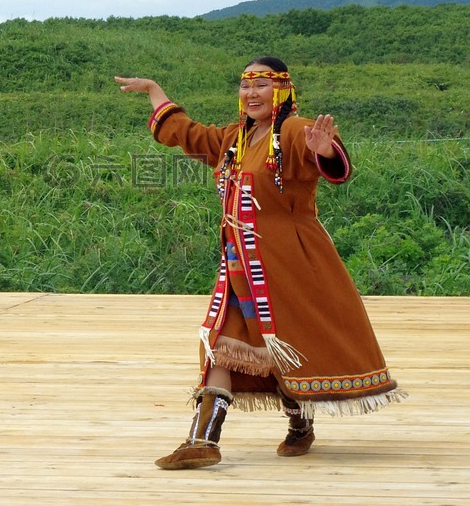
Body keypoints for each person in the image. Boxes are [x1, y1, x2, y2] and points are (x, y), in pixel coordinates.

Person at [115, 57, 406, 470]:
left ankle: (300, 424)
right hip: (240, 265)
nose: (251, 93)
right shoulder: (236, 137)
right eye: (245, 85)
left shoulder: (292, 129)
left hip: (290, 262)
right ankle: (202, 441)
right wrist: (154, 92)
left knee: (287, 347)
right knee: (221, 345)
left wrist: (326, 151)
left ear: (281, 91)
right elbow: (190, 134)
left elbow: (331, 163)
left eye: (261, 85)